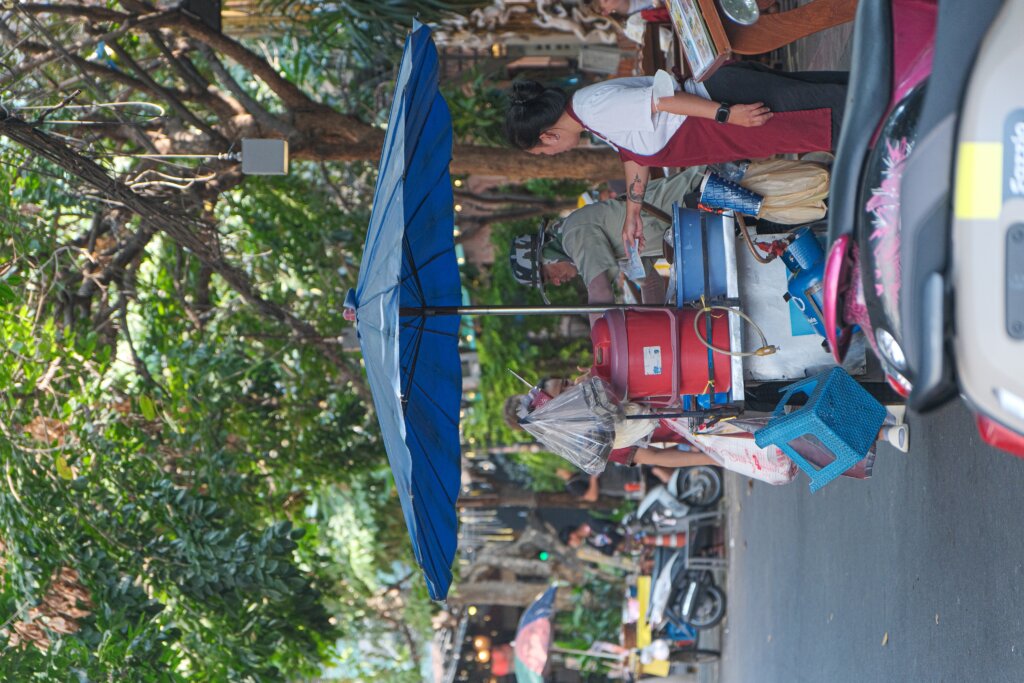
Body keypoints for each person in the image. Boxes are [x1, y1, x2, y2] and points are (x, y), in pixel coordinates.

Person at [504, 65, 847, 251]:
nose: (553, 154)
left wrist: (727, 114)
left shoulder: (593, 108)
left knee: (834, 114)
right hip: (727, 112)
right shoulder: (587, 115)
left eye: (544, 152)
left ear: (547, 135)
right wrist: (633, 212)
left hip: (728, 107)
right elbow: (635, 153)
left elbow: (661, 101)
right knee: (828, 102)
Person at [509, 169, 704, 310]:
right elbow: (651, 283)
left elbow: (600, 291)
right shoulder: (607, 251)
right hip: (699, 218)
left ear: (546, 255)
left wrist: (600, 350)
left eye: (548, 276)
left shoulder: (572, 234)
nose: (558, 282)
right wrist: (652, 326)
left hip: (701, 193)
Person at [504, 376, 718, 469]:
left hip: (699, 389)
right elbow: (656, 457)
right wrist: (713, 459)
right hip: (708, 429)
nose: (572, 388)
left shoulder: (595, 384)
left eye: (567, 383)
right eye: (564, 392)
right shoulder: (595, 441)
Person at [559, 518, 624, 556]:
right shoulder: (588, 541)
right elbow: (608, 552)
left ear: (572, 535)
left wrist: (612, 543)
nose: (573, 546)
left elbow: (613, 533)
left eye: (570, 544)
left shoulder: (591, 524)